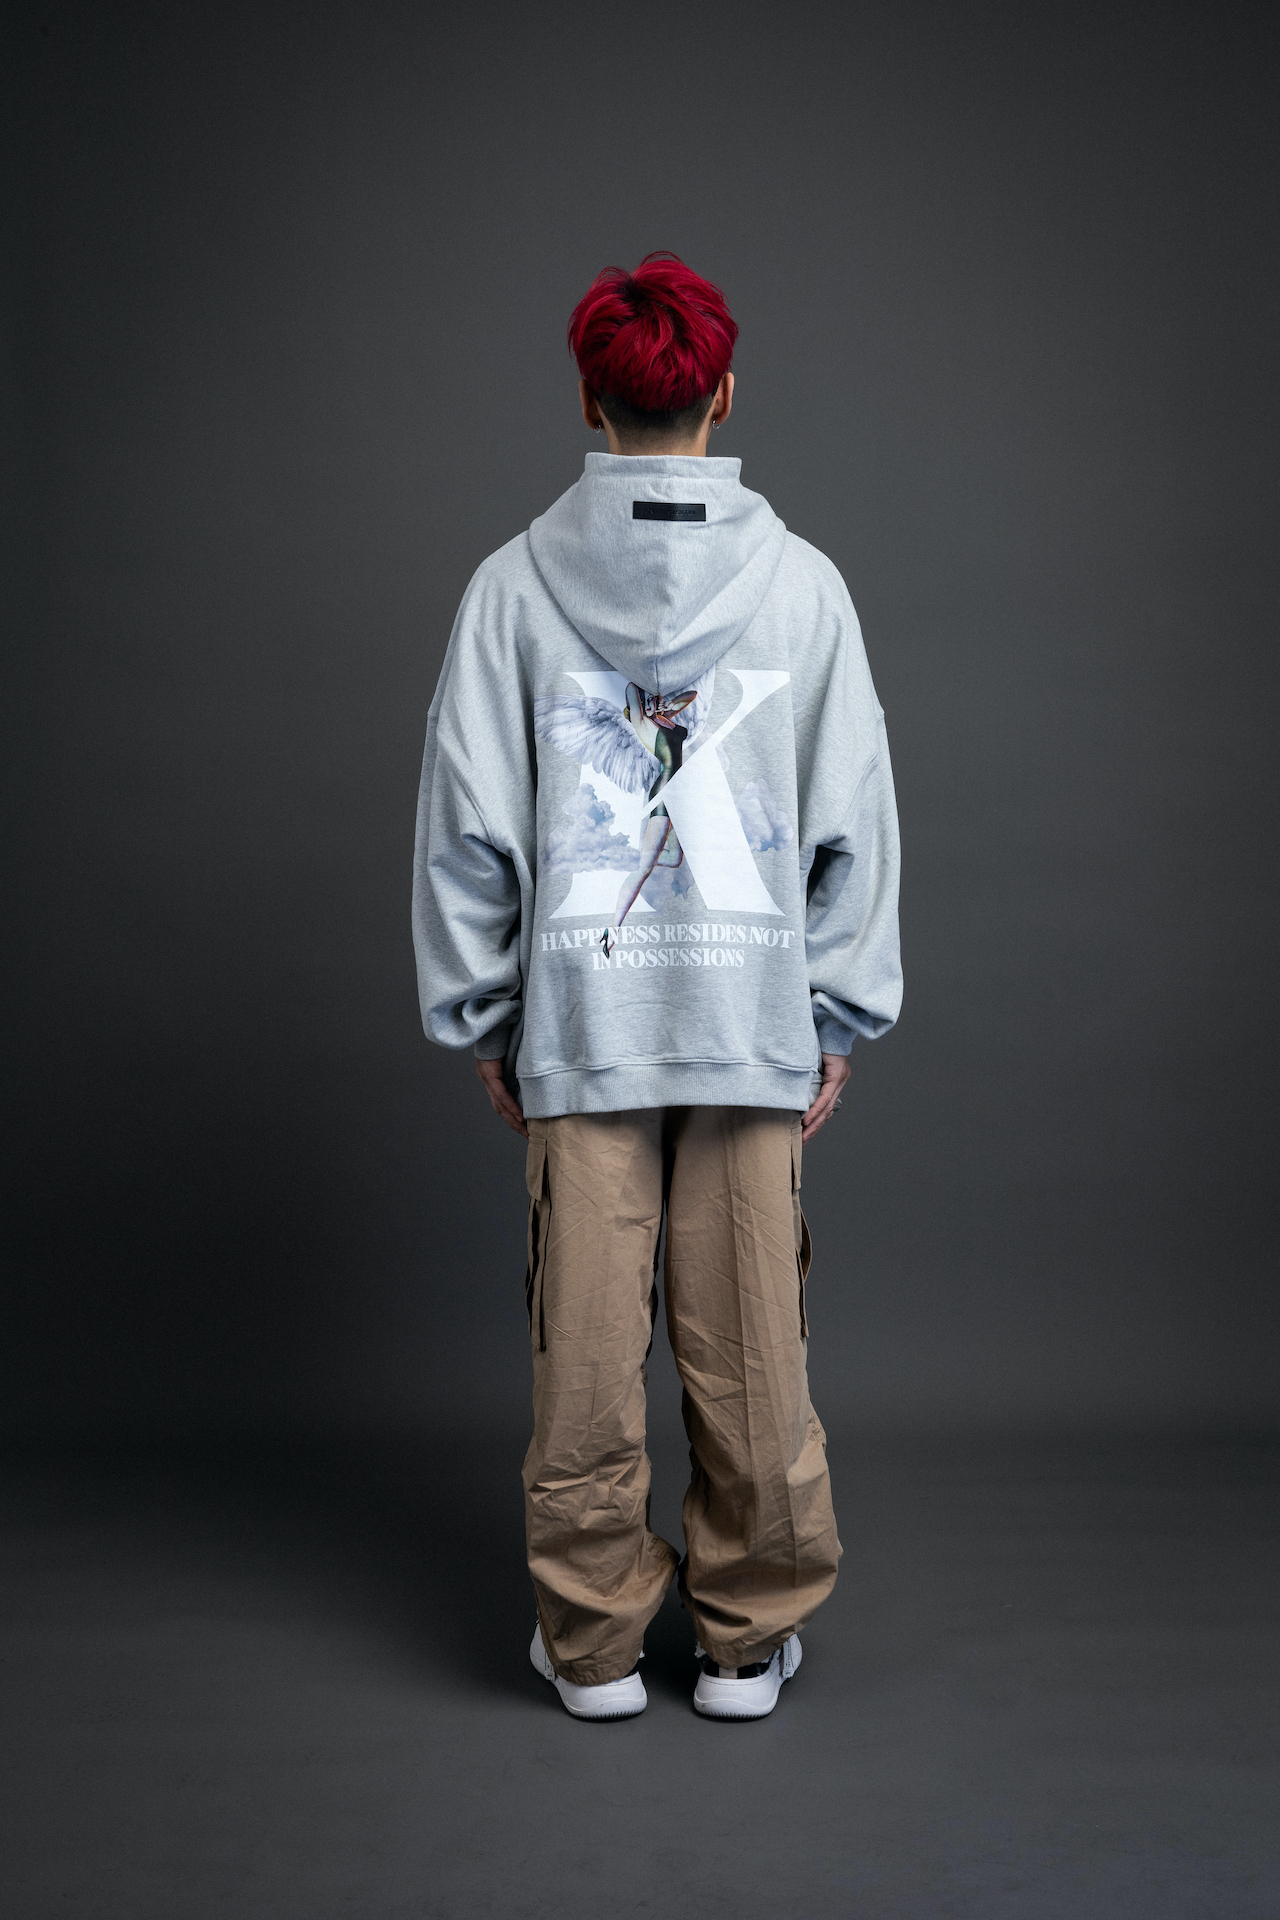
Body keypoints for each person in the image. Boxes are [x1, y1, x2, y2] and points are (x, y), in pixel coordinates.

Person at [412, 253, 902, 1721]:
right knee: (754, 1346)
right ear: (723, 394)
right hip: (750, 1027)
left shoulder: (511, 588)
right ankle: (745, 1643)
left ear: (591, 399)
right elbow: (857, 818)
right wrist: (835, 1011)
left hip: (583, 1025)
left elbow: (465, 828)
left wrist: (488, 1017)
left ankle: (594, 1648)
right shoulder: (805, 587)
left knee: (582, 1350)